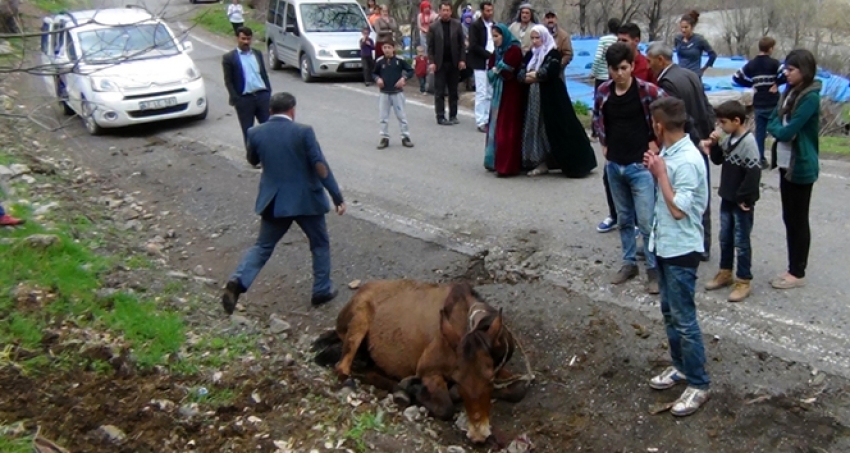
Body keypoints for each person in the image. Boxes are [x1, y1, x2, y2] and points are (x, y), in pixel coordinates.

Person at [222, 92, 346, 314]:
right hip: (306, 200)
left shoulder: (255, 132)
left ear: (270, 111)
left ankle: (238, 281)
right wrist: (336, 196)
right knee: (319, 244)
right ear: (292, 110)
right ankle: (321, 289)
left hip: (274, 201)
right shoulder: (303, 132)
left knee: (263, 246)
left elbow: (252, 160)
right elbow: (320, 166)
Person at [643, 97, 710, 417]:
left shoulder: (687, 160)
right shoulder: (670, 152)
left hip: (682, 250)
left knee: (684, 320)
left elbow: (678, 210)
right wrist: (657, 163)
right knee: (670, 313)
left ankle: (698, 383)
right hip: (665, 246)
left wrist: (660, 175)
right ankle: (680, 367)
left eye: (652, 122)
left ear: (659, 125)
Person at [593, 42, 666, 294]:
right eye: (614, 69)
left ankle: (653, 269)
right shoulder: (604, 91)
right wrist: (603, 143)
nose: (619, 74)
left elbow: (670, 113)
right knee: (624, 219)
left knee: (646, 221)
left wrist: (656, 142)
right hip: (615, 165)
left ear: (632, 66)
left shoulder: (647, 91)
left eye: (624, 68)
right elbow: (597, 117)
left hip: (640, 166)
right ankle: (628, 263)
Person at [647, 41, 715, 261]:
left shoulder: (667, 82)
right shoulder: (690, 74)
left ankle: (692, 245)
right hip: (701, 139)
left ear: (660, 59)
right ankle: (704, 243)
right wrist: (709, 134)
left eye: (650, 61)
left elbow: (682, 118)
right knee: (700, 194)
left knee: (682, 194)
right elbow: (706, 105)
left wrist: (694, 140)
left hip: (688, 141)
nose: (648, 67)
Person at [767, 49, 821, 290]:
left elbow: (788, 130)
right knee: (789, 217)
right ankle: (792, 267)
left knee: (798, 218)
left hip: (800, 164)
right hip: (784, 162)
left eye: (791, 69)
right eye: (786, 69)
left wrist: (778, 131)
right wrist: (779, 129)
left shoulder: (810, 97)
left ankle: (797, 271)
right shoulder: (788, 92)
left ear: (804, 70)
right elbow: (771, 118)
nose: (786, 73)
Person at [702, 100, 761, 302]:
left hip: (740, 201)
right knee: (725, 237)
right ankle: (725, 271)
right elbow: (718, 159)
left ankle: (744, 279)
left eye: (723, 122)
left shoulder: (748, 143)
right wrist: (715, 144)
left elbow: (753, 174)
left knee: (741, 241)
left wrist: (746, 198)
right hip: (727, 197)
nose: (721, 126)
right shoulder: (730, 139)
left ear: (737, 121)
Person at [519, 24, 596, 178]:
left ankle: (570, 162)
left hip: (552, 98)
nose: (534, 41)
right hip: (534, 100)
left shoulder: (553, 53)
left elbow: (548, 72)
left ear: (544, 37)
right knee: (536, 129)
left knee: (559, 129)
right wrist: (528, 76)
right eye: (532, 38)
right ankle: (539, 161)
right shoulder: (531, 54)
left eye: (537, 38)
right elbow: (521, 72)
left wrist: (534, 76)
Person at [732, 36, 785, 168]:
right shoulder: (774, 63)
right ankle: (778, 158)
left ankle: (760, 158)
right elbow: (786, 73)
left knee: (760, 133)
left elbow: (736, 77)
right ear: (771, 49)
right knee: (776, 130)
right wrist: (777, 83)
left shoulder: (752, 64)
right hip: (772, 101)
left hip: (759, 102)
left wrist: (751, 84)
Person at [483, 23, 525, 176]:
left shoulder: (513, 49)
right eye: (493, 36)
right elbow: (491, 74)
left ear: (504, 35)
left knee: (508, 127)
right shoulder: (497, 52)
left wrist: (498, 69)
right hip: (499, 94)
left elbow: (507, 72)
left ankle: (507, 165)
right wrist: (497, 69)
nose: (495, 39)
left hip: (512, 94)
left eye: (497, 36)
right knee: (496, 125)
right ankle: (495, 160)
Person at [222, 26, 272, 144]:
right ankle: (252, 158)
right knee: (248, 131)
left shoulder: (257, 53)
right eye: (243, 39)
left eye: (248, 39)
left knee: (268, 128)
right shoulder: (229, 58)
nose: (246, 42)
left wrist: (268, 92)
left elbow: (263, 74)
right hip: (244, 99)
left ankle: (268, 155)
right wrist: (237, 99)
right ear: (237, 38)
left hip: (262, 96)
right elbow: (228, 81)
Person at [427, 1, 466, 126]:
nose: (445, 13)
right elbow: (430, 47)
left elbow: (462, 45)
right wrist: (432, 62)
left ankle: (453, 115)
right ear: (439, 11)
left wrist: (462, 60)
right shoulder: (433, 27)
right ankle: (440, 116)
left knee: (453, 91)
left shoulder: (457, 25)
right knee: (439, 92)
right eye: (443, 10)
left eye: (448, 10)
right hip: (440, 63)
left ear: (451, 11)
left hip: (454, 63)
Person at [373, 40, 415, 149]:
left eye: (389, 47)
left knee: (401, 116)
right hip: (384, 93)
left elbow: (410, 71)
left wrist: (403, 79)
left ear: (393, 48)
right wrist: (377, 79)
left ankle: (405, 137)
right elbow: (373, 73)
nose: (386, 50)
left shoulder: (399, 60)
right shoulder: (379, 61)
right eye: (384, 47)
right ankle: (384, 137)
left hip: (397, 92)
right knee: (383, 117)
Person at [589, 18, 620, 154]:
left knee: (599, 102)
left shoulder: (603, 40)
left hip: (602, 76)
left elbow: (597, 57)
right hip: (615, 75)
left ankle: (596, 130)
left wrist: (593, 72)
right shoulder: (620, 40)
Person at [467, 1, 495, 133]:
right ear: (482, 11)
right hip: (480, 62)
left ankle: (489, 118)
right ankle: (480, 120)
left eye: (491, 10)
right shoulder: (475, 26)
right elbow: (473, 45)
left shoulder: (493, 25)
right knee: (481, 92)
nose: (489, 13)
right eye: (487, 10)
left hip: (492, 63)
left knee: (490, 92)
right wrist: (487, 54)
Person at [674, 10, 716, 78]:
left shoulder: (699, 40)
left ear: (692, 27)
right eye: (682, 27)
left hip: (694, 76)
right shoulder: (678, 39)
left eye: (686, 27)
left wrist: (703, 69)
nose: (683, 30)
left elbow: (712, 55)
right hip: (681, 75)